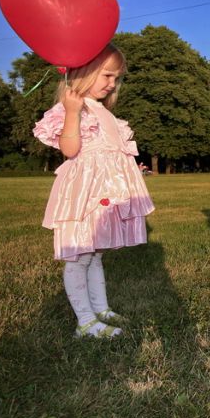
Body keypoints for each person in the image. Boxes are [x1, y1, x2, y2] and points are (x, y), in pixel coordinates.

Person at [33, 44, 154, 339]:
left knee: (95, 255)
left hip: (104, 193)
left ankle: (100, 308)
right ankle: (85, 322)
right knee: (79, 257)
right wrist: (73, 112)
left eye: (117, 78)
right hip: (83, 197)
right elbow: (70, 149)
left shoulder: (104, 111)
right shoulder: (73, 109)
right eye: (107, 75)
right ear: (85, 72)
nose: (112, 83)